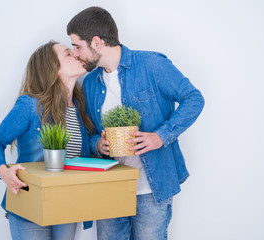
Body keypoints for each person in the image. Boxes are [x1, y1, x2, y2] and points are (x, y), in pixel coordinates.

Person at [67, 6, 205, 240]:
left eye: (77, 46)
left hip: (151, 190)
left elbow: (194, 98)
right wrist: (97, 145)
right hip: (110, 189)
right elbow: (88, 135)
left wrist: (160, 136)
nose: (75, 53)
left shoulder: (152, 65)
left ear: (97, 42)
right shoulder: (90, 83)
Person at [0, 41, 94, 240]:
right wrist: (4, 172)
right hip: (29, 202)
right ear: (51, 68)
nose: (76, 56)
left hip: (67, 203)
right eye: (68, 54)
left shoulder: (80, 106)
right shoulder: (30, 105)